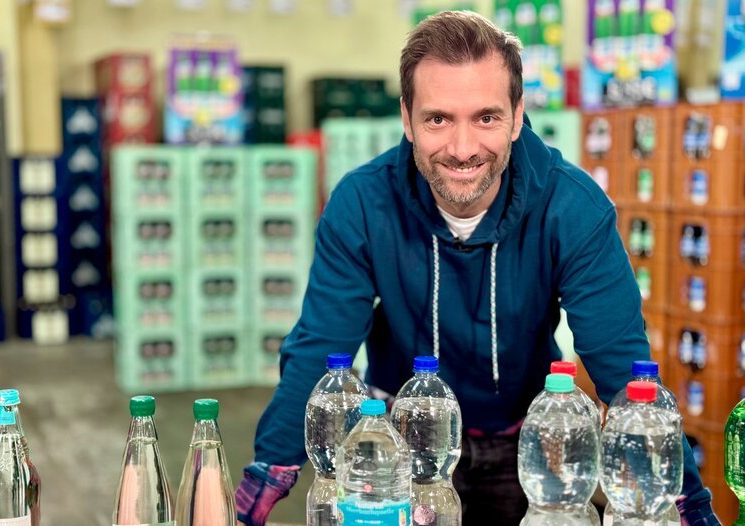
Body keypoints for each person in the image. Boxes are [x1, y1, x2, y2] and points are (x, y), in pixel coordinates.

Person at [235, 10, 720, 526]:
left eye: (486, 117)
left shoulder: (572, 207)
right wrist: (267, 472)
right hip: (401, 446)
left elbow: (625, 373)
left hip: (524, 447)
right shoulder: (362, 204)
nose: (463, 149)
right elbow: (319, 348)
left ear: (517, 114)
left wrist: (690, 506)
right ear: (407, 119)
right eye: (438, 119)